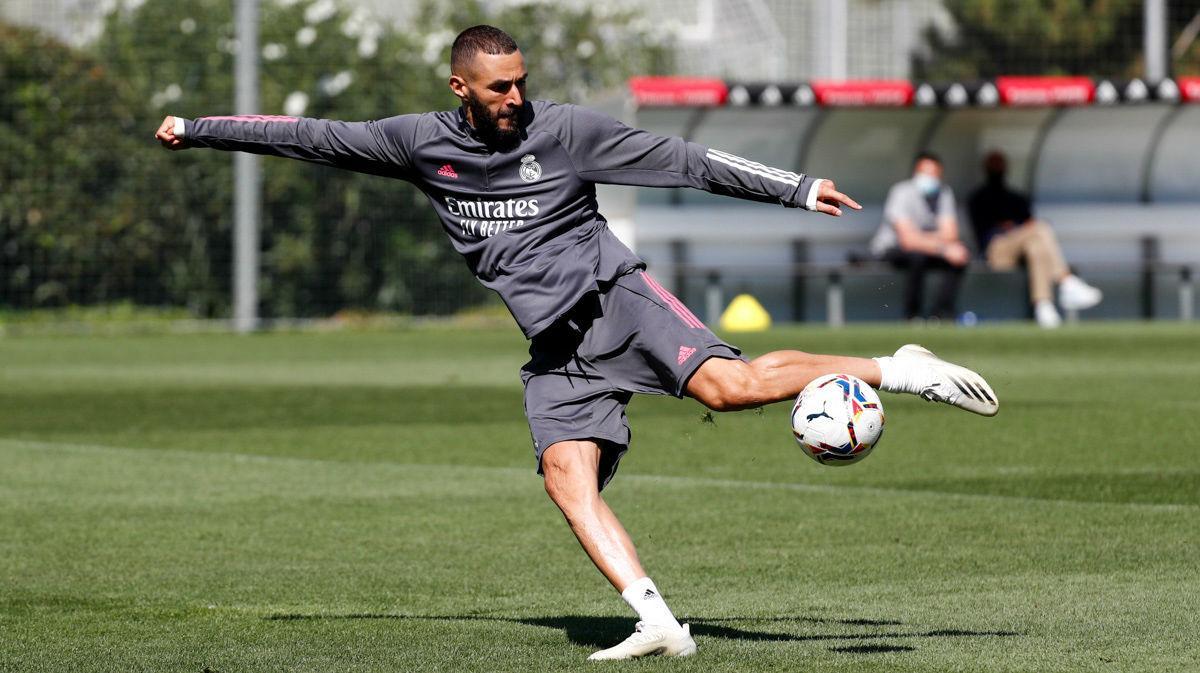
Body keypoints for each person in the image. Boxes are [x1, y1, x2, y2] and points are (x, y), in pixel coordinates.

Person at [155, 25, 999, 661]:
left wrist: (796, 186)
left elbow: (687, 159)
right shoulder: (418, 144)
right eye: (496, 88)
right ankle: (659, 621)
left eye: (520, 82)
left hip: (616, 299)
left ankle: (897, 368)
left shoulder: (565, 132)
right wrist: (197, 128)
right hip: (557, 349)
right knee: (567, 476)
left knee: (728, 390)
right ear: (461, 86)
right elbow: (311, 138)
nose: (514, 98)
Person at [968, 150, 1102, 328]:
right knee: (1042, 228)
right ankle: (1066, 281)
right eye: (993, 164)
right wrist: (1011, 228)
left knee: (1036, 247)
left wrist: (1015, 228)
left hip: (1023, 250)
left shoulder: (1016, 198)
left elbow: (1027, 223)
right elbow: (987, 229)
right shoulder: (979, 198)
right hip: (996, 251)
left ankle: (1043, 306)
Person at [870, 152, 970, 322]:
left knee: (960, 254)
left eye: (934, 174)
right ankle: (912, 315)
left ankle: (940, 314)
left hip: (928, 250)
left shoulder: (944, 193)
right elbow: (907, 240)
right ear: (916, 172)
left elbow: (951, 233)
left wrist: (926, 240)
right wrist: (942, 246)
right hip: (891, 248)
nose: (929, 178)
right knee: (918, 257)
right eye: (926, 173)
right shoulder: (901, 192)